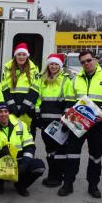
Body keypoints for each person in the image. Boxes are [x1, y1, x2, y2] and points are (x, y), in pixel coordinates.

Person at [58, 50, 102, 198]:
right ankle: (68, 184)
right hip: (77, 123)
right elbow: (69, 101)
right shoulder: (75, 78)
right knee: (71, 154)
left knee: (95, 156)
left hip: (98, 125)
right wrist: (67, 116)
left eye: (89, 60)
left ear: (95, 60)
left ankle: (93, 185)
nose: (86, 63)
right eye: (83, 62)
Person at [28, 54, 73, 188]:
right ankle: (53, 175)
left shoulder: (66, 80)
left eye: (56, 64)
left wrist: (66, 120)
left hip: (60, 123)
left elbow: (69, 101)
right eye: (51, 64)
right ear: (48, 65)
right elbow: (38, 100)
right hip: (45, 122)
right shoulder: (42, 79)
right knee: (50, 151)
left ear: (60, 66)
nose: (53, 66)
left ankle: (57, 177)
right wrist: (37, 117)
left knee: (59, 151)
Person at [0, 102, 45, 196]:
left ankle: (21, 185)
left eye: (5, 111)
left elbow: (29, 145)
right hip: (2, 162)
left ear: (9, 113)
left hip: (20, 160)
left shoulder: (21, 125)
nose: (3, 114)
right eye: (0, 112)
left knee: (39, 167)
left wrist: (25, 162)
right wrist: (0, 153)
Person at [1, 43, 40, 131]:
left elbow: (35, 89)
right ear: (15, 56)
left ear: (27, 56)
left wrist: (25, 107)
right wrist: (12, 106)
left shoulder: (34, 69)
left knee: (28, 137)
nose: (21, 57)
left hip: (28, 110)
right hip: (11, 109)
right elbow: (4, 88)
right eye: (19, 54)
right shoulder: (7, 68)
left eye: (24, 54)